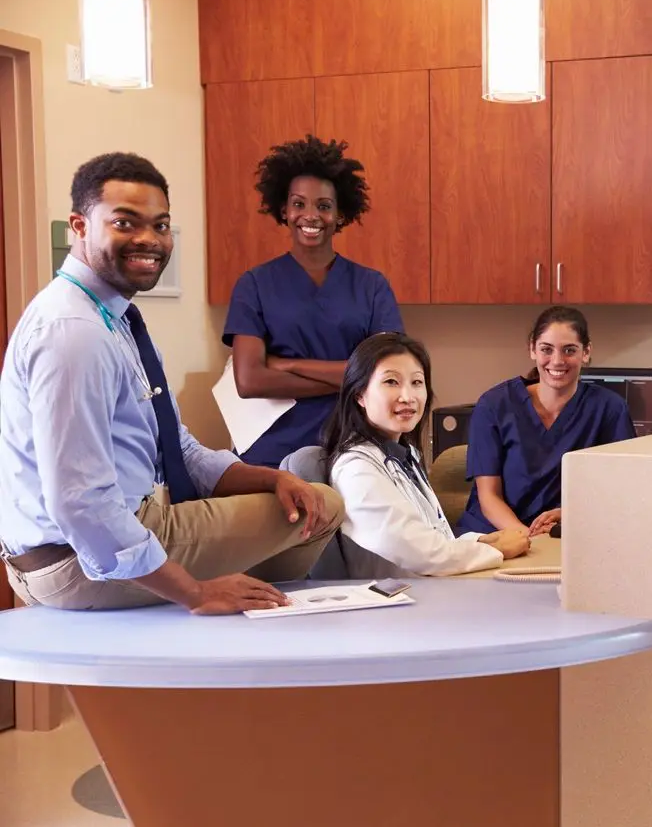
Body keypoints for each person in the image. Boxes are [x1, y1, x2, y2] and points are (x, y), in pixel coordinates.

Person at [0, 152, 344, 614]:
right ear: (78, 227)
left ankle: (238, 608)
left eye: (160, 225)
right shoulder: (73, 331)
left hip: (99, 542)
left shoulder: (112, 319)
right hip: (77, 564)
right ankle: (224, 612)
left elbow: (176, 448)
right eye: (125, 223)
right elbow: (81, 504)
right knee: (325, 508)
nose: (149, 239)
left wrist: (272, 477)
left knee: (303, 499)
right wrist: (195, 591)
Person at [222, 135, 405, 468]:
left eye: (323, 205)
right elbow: (249, 381)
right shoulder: (254, 284)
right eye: (299, 204)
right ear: (283, 209)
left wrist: (287, 364)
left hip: (353, 448)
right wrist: (350, 379)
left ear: (339, 214)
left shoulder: (372, 286)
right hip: (271, 454)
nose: (310, 215)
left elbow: (385, 375)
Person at [324, 333, 533, 577]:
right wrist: (499, 552)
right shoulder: (356, 468)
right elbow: (419, 553)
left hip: (430, 589)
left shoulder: (403, 454)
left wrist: (483, 542)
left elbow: (432, 536)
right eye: (391, 382)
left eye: (416, 382)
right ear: (360, 394)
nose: (408, 397)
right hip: (403, 603)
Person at [458, 306, 636, 537]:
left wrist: (569, 512)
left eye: (569, 350)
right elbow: (488, 497)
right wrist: (526, 538)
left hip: (563, 536)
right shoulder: (494, 405)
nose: (557, 360)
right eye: (546, 349)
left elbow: (619, 489)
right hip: (496, 537)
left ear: (586, 351)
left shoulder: (609, 409)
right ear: (532, 349)